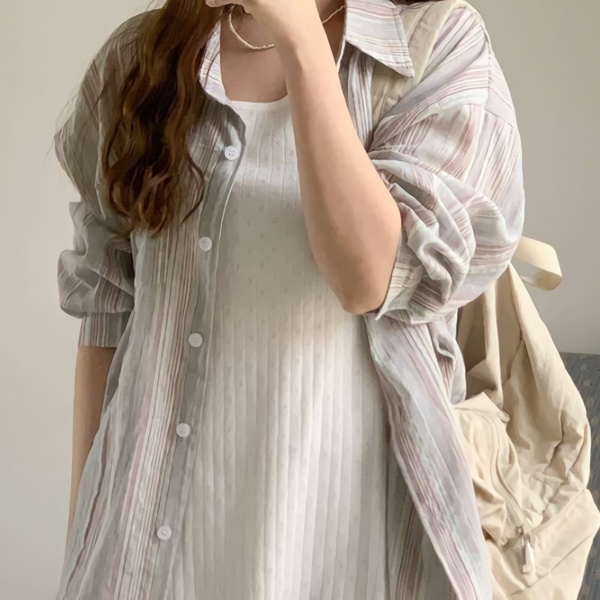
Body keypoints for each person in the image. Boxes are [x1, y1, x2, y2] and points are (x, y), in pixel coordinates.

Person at [54, 0, 524, 597]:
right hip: (142, 549)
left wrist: (300, 39)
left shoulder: (434, 44)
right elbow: (106, 314)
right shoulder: (138, 56)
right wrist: (83, 541)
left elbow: (370, 277)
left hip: (331, 540)